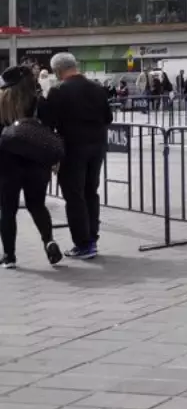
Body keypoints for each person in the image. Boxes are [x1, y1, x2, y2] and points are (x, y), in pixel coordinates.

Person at [41, 53, 112, 260]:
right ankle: (92, 238)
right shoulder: (97, 88)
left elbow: (49, 121)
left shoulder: (58, 91)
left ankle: (83, 244)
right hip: (97, 146)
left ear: (57, 70)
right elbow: (108, 117)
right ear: (75, 65)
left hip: (72, 148)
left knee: (74, 196)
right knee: (91, 192)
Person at [0, 66, 63, 269]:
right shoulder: (40, 102)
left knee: (7, 209)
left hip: (6, 163)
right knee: (37, 204)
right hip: (37, 162)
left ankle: (9, 256)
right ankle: (48, 241)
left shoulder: (1, 103)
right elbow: (51, 129)